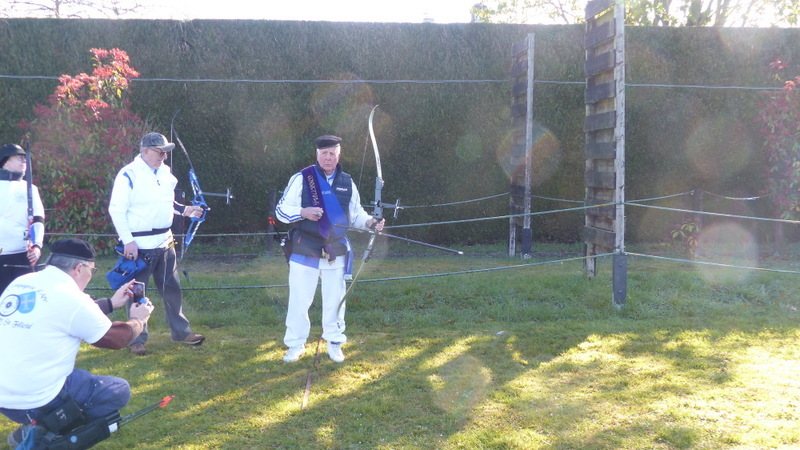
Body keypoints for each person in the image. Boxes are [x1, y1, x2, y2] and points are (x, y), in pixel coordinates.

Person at [0, 238, 154, 447]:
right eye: (92, 270)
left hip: (4, 395)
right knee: (117, 390)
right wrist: (139, 320)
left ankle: (36, 426)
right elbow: (115, 339)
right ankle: (43, 432)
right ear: (79, 268)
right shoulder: (72, 297)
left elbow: (63, 313)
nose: (91, 276)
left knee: (78, 378)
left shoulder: (23, 281)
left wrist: (110, 303)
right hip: (35, 397)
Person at [276, 135, 384, 363]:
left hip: (335, 249)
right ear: (317, 155)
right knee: (299, 300)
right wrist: (303, 212)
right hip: (304, 246)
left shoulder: (347, 181)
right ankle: (295, 344)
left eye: (332, 154)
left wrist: (370, 223)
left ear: (338, 156)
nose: (328, 158)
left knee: (335, 300)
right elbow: (281, 210)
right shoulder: (302, 178)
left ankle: (334, 342)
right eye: (324, 153)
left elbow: (356, 215)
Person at [108, 132, 206, 356]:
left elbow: (167, 202)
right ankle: (136, 337)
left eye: (165, 153)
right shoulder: (128, 174)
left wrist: (185, 210)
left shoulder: (165, 173)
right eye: (160, 152)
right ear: (145, 151)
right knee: (137, 293)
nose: (164, 156)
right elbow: (116, 210)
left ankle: (181, 332)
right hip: (139, 245)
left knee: (172, 289)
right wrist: (128, 241)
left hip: (165, 242)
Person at [0, 143, 44, 294]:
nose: (24, 161)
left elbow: (38, 220)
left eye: (25, 158)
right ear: (5, 161)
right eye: (19, 158)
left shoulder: (30, 188)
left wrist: (37, 246)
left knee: (24, 298)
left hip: (23, 255)